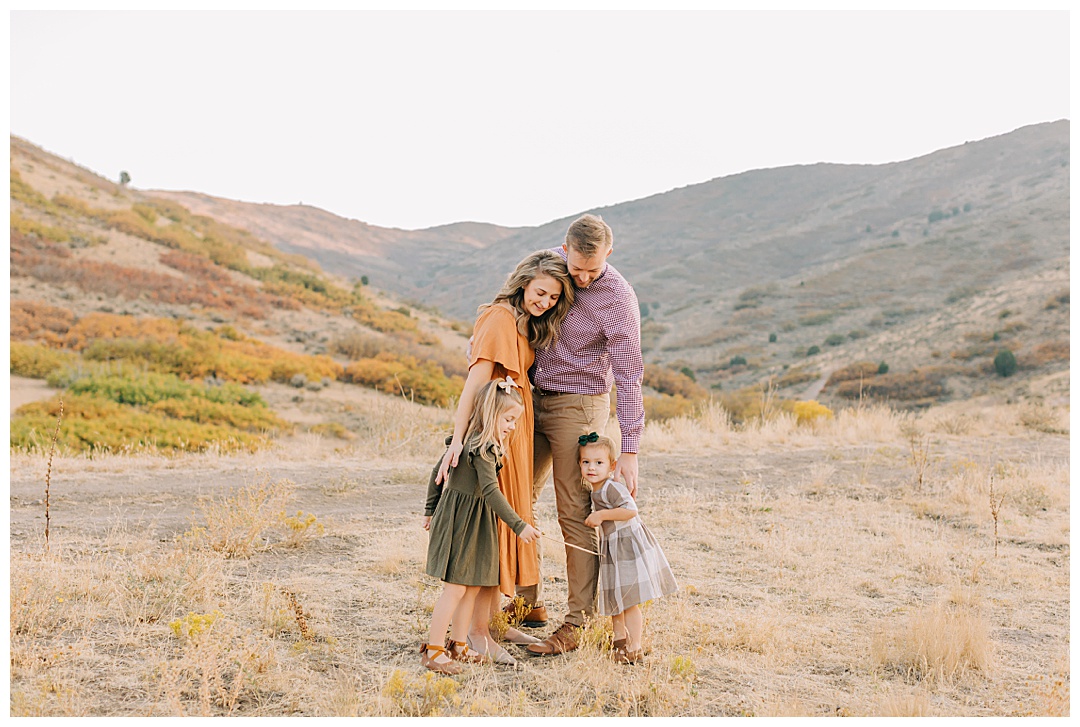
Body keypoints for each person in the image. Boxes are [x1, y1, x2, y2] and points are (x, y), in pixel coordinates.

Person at [434, 249, 575, 664]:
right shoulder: (499, 318)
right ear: (525, 280)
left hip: (514, 432)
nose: (545, 302)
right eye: (542, 292)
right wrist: (458, 441)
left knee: (511, 522)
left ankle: (491, 621)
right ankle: (476, 634)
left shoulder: (523, 323)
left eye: (553, 299)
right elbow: (475, 383)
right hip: (496, 436)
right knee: (495, 529)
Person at [521, 213, 646, 657]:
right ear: (564, 248)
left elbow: (630, 376)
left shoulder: (618, 298)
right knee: (514, 497)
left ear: (608, 254)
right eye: (577, 268)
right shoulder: (548, 267)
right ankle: (525, 603)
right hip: (530, 396)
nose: (584, 277)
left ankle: (576, 622)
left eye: (594, 269)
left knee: (574, 511)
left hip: (581, 405)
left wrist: (628, 449)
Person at [421, 379, 542, 674]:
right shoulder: (481, 448)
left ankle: (459, 644)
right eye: (509, 419)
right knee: (456, 588)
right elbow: (489, 491)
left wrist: (430, 509)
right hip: (462, 522)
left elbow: (438, 471)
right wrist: (518, 525)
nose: (512, 426)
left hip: (476, 522)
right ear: (490, 414)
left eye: (515, 420)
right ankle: (435, 650)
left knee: (472, 586)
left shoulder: (471, 443)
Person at [579, 432, 677, 663]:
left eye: (599, 463)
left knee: (629, 599)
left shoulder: (612, 487)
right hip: (612, 547)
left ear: (612, 466)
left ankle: (635, 647)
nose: (592, 468)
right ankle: (619, 641)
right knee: (615, 596)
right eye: (586, 462)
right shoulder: (595, 488)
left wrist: (601, 515)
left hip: (625, 546)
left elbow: (631, 510)